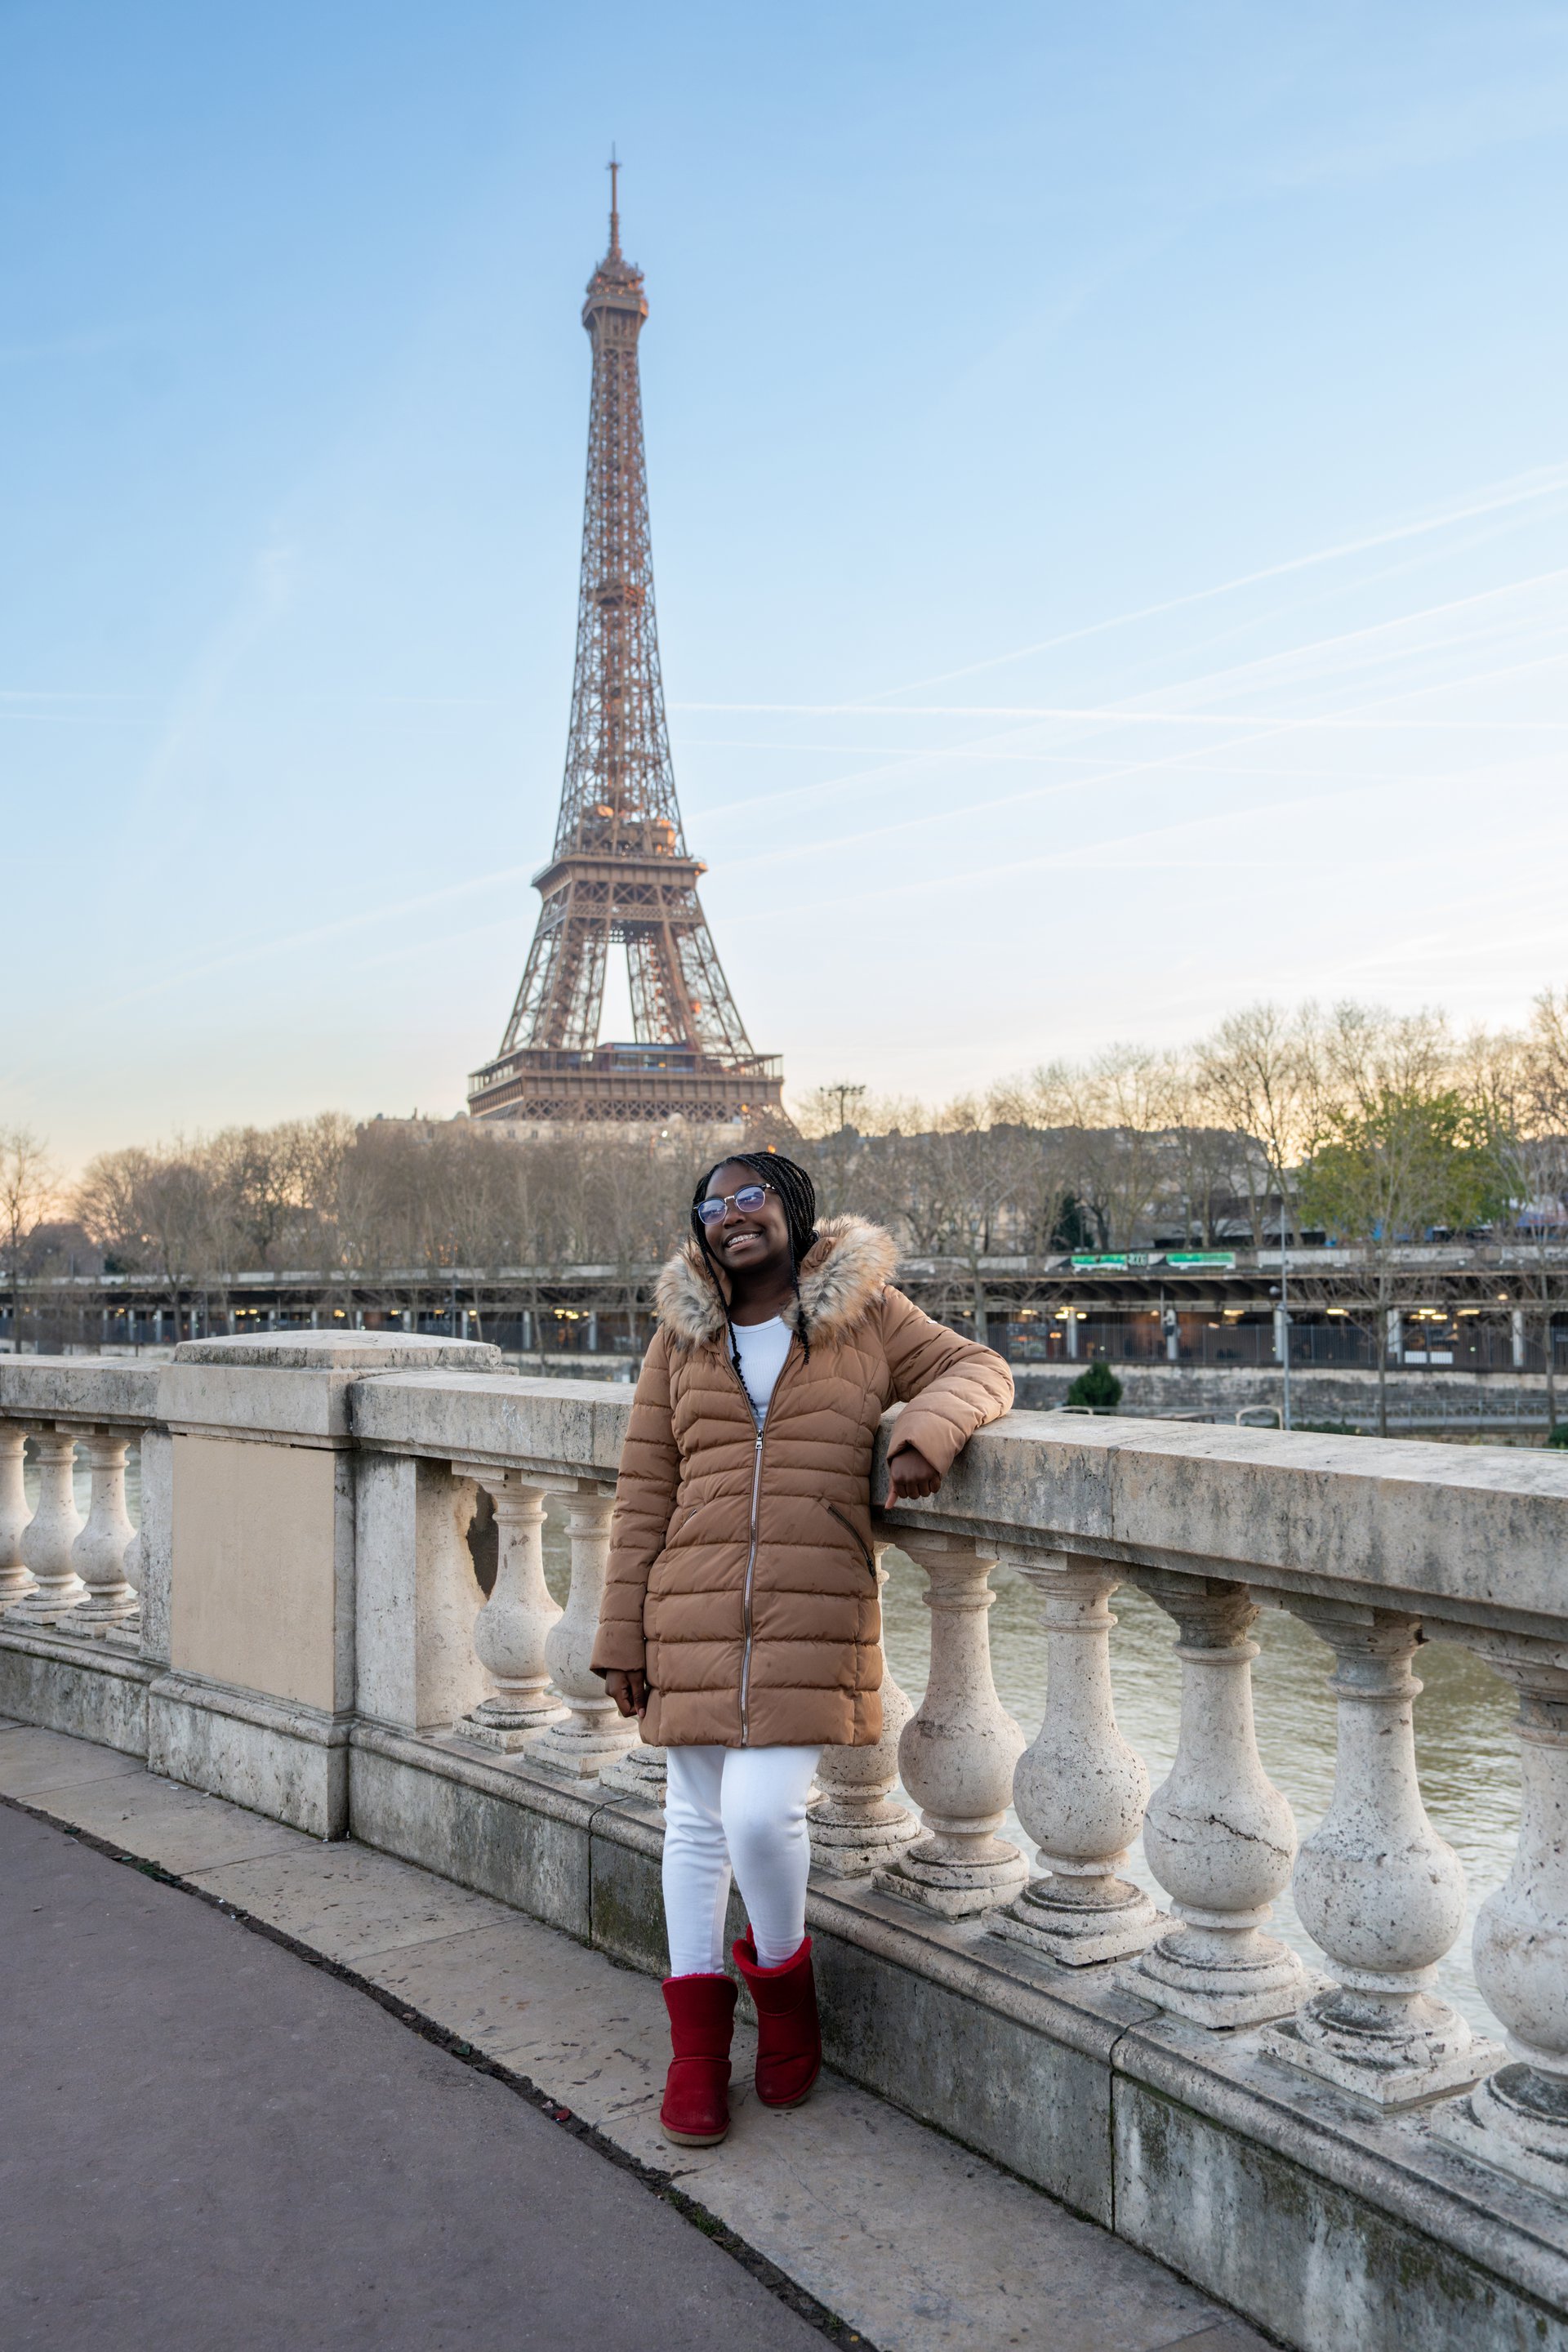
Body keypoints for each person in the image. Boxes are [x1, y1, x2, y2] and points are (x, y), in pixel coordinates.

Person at [591, 1151, 1013, 2148]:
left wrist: (924, 1433)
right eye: (712, 1204)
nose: (731, 1215)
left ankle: (785, 2002)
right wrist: (620, 1634)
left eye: (751, 1196)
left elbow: (979, 1369)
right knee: (694, 1825)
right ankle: (697, 2053)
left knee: (759, 1811)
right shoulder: (680, 1337)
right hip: (686, 1610)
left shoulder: (868, 1313)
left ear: (792, 1208)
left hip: (810, 1610)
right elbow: (644, 1492)